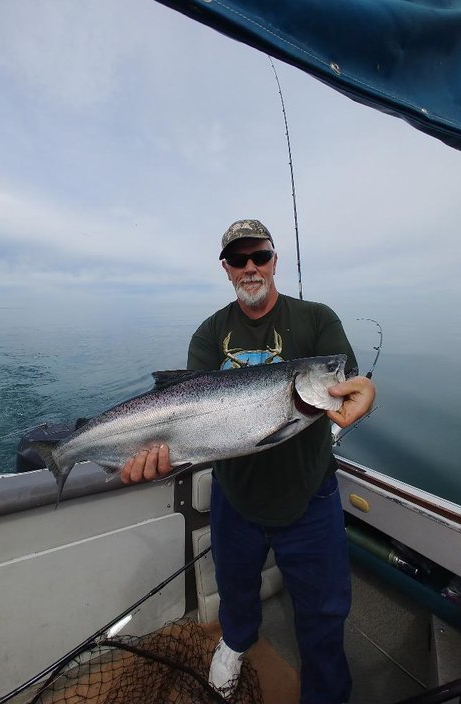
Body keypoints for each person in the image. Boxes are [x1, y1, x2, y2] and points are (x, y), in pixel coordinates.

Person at [121, 219, 376, 704]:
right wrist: (161, 455)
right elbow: (186, 412)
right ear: (227, 270)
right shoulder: (210, 332)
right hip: (235, 500)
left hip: (310, 498)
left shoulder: (317, 319)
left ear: (275, 260)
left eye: (259, 256)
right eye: (239, 260)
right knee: (235, 594)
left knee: (324, 616)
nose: (251, 267)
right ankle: (234, 645)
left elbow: (349, 381)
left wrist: (368, 391)